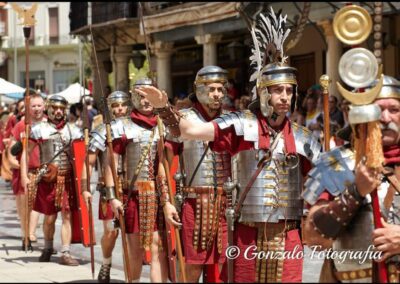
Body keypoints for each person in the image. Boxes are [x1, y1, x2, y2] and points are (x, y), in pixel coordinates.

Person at [136, 8, 321, 283]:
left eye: (289, 91)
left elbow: (320, 188)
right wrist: (163, 107)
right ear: (264, 92)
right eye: (277, 90)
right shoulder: (240, 125)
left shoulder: (305, 138)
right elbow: (189, 130)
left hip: (287, 234)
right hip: (246, 232)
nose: (285, 96)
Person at [302, 75, 400, 282]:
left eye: (394, 110)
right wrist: (355, 193)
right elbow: (312, 236)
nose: (385, 118)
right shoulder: (338, 164)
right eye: (377, 110)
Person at [162, 66, 231, 282]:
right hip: (194, 203)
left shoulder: (233, 121)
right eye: (211, 89)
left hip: (225, 205)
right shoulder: (183, 120)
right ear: (199, 90)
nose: (217, 94)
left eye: (220, 89)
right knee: (191, 269)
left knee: (223, 269)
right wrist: (167, 202)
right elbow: (164, 163)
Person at [102, 80, 168, 282]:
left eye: (149, 96)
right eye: (141, 96)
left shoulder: (164, 125)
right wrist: (112, 197)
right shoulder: (121, 126)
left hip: (159, 196)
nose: (146, 101)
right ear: (134, 98)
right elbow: (110, 164)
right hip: (134, 196)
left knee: (159, 248)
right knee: (135, 249)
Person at [23, 95, 83, 266]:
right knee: (49, 218)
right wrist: (26, 175)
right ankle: (48, 247)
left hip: (67, 178)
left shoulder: (73, 130)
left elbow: (82, 156)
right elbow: (26, 153)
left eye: (61, 109)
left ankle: (65, 252)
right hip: (48, 179)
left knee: (67, 215)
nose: (58, 111)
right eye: (55, 108)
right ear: (48, 109)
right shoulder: (38, 129)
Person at [83, 91, 131, 282]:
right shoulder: (102, 130)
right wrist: (85, 187)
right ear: (110, 109)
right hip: (109, 187)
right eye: (115, 106)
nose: (119, 109)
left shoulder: (138, 127)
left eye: (122, 105)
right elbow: (88, 161)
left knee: (132, 235)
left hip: (133, 186)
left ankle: (132, 275)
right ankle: (106, 261)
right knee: (111, 232)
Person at [8, 92, 46, 249]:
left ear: (44, 107)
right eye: (33, 106)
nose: (36, 109)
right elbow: (11, 150)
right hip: (22, 171)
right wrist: (15, 165)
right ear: (28, 108)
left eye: (39, 105)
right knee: (24, 207)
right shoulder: (20, 126)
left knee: (36, 203)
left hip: (42, 170)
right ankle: (25, 235)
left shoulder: (48, 125)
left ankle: (31, 233)